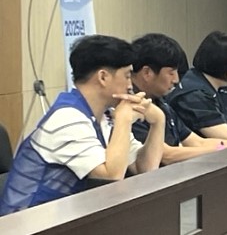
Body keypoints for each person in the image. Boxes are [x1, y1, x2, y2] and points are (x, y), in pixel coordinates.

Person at [0, 35, 165, 214]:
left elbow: (145, 168)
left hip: (69, 217)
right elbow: (110, 179)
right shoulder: (67, 118)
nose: (130, 86)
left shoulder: (106, 116)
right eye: (126, 76)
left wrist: (158, 121)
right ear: (103, 77)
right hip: (29, 221)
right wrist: (124, 120)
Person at [129, 34, 227, 164]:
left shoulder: (161, 103)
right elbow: (166, 155)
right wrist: (219, 149)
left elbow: (197, 142)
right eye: (171, 72)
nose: (176, 80)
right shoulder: (130, 106)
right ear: (147, 73)